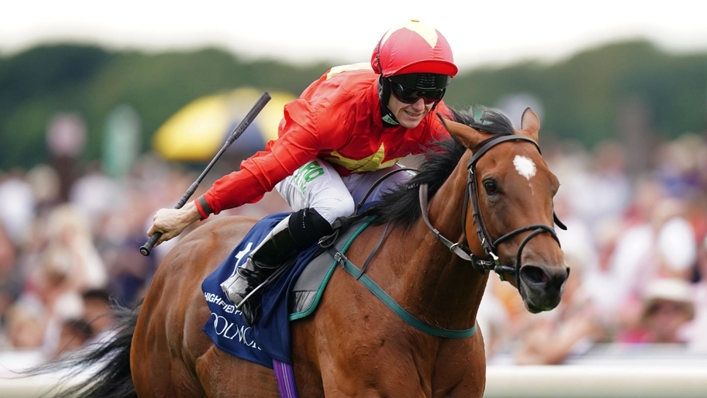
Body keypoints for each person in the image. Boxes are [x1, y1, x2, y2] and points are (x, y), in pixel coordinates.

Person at [147, 19, 459, 322]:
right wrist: (190, 213)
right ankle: (252, 272)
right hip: (309, 160)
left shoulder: (432, 118)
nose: (420, 106)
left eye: (433, 93)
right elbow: (262, 173)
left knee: (418, 201)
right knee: (336, 206)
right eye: (408, 92)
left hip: (365, 167)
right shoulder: (330, 113)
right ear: (385, 82)